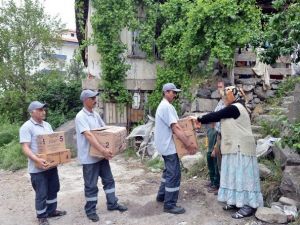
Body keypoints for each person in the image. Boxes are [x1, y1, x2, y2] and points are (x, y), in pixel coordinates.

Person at [196, 86, 263, 219]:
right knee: (234, 174)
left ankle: (248, 205)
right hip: (234, 147)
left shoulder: (235, 108)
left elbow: (216, 115)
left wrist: (198, 119)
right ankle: (237, 201)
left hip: (241, 148)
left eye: (227, 95)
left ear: (234, 96)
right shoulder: (235, 107)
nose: (225, 98)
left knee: (242, 175)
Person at [75, 89, 127, 222]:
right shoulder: (81, 116)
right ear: (85, 100)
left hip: (100, 156)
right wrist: (103, 150)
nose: (95, 100)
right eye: (92, 98)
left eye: (95, 98)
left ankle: (112, 204)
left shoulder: (95, 115)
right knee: (91, 186)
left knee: (109, 180)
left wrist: (113, 145)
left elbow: (105, 131)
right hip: (89, 158)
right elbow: (89, 136)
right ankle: (91, 210)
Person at [19, 101, 66, 225]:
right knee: (42, 192)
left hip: (51, 165)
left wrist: (59, 157)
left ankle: (51, 211)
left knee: (54, 188)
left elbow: (53, 144)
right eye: (40, 110)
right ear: (32, 112)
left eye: (44, 110)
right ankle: (41, 216)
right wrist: (37, 159)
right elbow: (25, 147)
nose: (43, 112)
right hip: (38, 168)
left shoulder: (47, 125)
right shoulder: (26, 127)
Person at [155, 83, 197, 214]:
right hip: (168, 147)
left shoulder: (164, 106)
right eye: (173, 92)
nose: (175, 95)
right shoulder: (166, 107)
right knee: (174, 174)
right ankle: (170, 204)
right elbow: (176, 128)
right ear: (166, 92)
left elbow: (176, 124)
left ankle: (162, 195)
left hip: (163, 145)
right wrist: (189, 144)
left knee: (168, 171)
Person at [205, 122, 219, 195]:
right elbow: (207, 138)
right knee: (210, 168)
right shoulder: (209, 130)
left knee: (215, 168)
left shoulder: (217, 130)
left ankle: (216, 185)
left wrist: (214, 150)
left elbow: (218, 141)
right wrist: (207, 148)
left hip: (215, 152)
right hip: (209, 151)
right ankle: (212, 181)